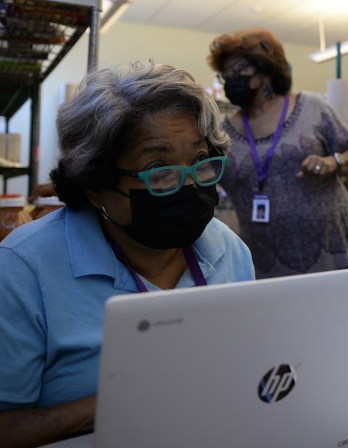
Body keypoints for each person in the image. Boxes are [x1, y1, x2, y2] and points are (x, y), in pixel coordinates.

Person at [0, 62, 255, 447]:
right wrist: (127, 400)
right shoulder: (23, 267)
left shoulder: (229, 250)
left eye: (201, 161)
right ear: (95, 186)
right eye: (158, 169)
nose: (187, 183)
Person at [208, 28, 348, 278]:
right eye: (225, 74)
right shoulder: (222, 132)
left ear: (265, 70)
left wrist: (332, 161)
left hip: (331, 253)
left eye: (239, 70)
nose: (231, 79)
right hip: (264, 260)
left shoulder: (312, 108)